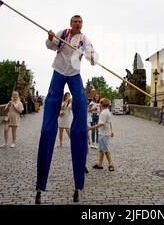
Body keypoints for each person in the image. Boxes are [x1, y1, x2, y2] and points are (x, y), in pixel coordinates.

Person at [35, 15, 96, 204]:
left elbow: (93, 57)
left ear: (82, 25)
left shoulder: (85, 40)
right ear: (71, 24)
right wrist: (50, 37)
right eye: (75, 22)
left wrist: (93, 58)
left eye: (80, 22)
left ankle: (79, 130)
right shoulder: (64, 33)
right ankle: (48, 127)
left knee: (80, 101)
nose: (78, 24)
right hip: (59, 72)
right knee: (52, 102)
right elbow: (50, 45)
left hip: (75, 74)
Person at [88, 98, 115, 171]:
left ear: (101, 104)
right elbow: (109, 122)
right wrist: (111, 131)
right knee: (101, 149)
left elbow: (102, 123)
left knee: (106, 149)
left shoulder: (104, 113)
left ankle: (111, 164)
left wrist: (91, 128)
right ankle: (100, 164)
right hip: (104, 133)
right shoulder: (106, 111)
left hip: (104, 133)